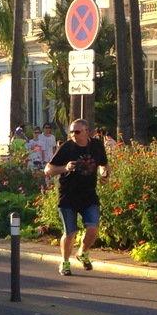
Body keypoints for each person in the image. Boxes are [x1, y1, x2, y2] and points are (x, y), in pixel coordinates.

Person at [44, 118, 111, 276]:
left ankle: (82, 252)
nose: (73, 134)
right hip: (68, 195)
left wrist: (105, 175)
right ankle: (65, 262)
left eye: (77, 131)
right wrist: (64, 167)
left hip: (88, 194)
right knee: (70, 232)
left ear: (87, 132)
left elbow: (104, 165)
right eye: (71, 131)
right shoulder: (67, 148)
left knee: (93, 228)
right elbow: (48, 169)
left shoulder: (96, 145)